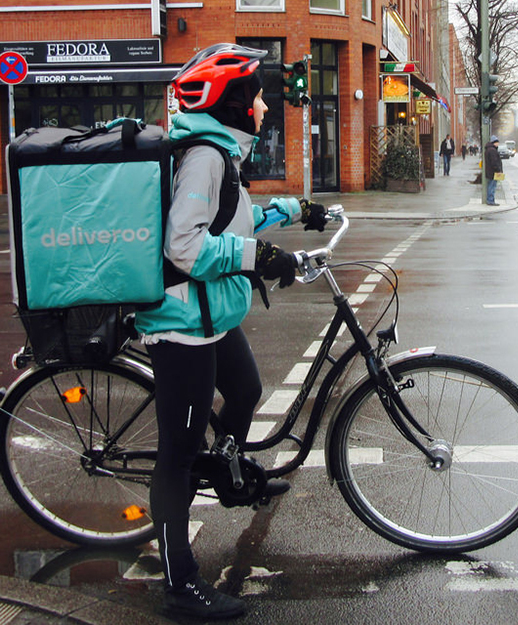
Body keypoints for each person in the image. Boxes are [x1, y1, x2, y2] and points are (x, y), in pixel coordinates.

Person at [133, 43, 327, 621]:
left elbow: (233, 218)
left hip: (211, 315)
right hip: (183, 325)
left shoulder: (222, 156)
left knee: (244, 391)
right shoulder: (205, 158)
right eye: (258, 95)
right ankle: (180, 584)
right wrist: (259, 258)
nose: (266, 105)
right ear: (232, 101)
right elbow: (185, 246)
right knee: (178, 456)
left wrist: (298, 211)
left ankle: (230, 471)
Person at [484, 135, 503, 206]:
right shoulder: (492, 150)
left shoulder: (489, 149)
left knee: (491, 185)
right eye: (497, 142)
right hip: (493, 172)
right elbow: (494, 162)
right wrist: (498, 170)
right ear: (494, 142)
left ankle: (490, 200)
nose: (498, 144)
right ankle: (490, 200)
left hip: (490, 171)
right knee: (492, 186)